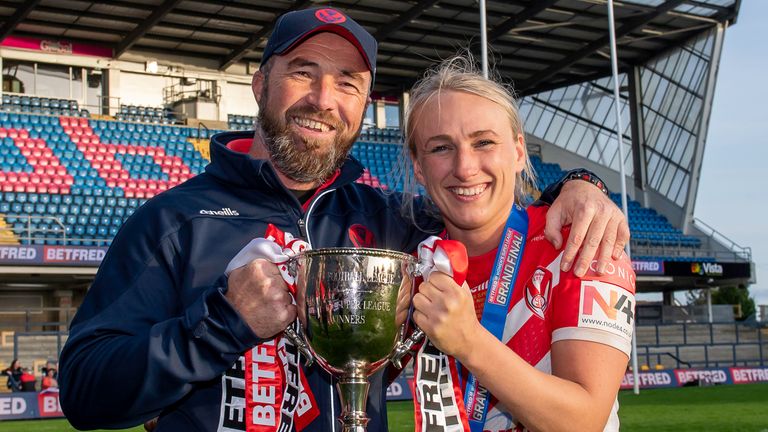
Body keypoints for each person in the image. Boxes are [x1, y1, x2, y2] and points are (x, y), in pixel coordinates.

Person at [59, 8, 628, 432]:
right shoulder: (172, 222)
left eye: (348, 83)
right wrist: (220, 324)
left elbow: (479, 201)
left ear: (362, 105)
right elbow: (85, 393)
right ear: (260, 84)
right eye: (303, 73)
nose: (323, 98)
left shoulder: (388, 222)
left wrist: (580, 187)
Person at [404, 56, 635, 432]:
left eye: (484, 142)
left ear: (518, 151)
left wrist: (470, 342)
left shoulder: (582, 241)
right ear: (418, 166)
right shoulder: (414, 265)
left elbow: (584, 421)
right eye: (441, 148)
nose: (465, 167)